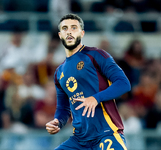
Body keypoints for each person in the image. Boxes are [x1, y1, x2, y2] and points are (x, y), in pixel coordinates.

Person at [45, 14, 131, 150]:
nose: (69, 31)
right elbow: (63, 108)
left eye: (74, 28)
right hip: (79, 141)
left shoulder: (96, 55)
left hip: (107, 134)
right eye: (65, 28)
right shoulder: (59, 73)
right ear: (60, 35)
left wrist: (96, 98)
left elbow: (123, 83)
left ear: (82, 33)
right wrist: (57, 122)